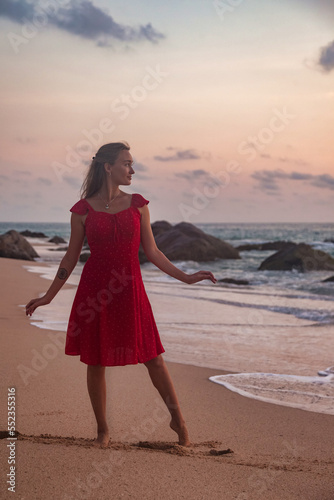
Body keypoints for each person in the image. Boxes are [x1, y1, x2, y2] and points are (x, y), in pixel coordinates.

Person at [26, 141, 217, 448]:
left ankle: (178, 420)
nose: (132, 169)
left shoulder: (139, 205)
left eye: (131, 164)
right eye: (127, 163)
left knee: (153, 358)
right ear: (107, 167)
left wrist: (187, 278)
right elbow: (70, 258)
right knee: (96, 361)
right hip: (95, 292)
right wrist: (49, 296)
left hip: (130, 291)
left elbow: (153, 252)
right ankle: (103, 430)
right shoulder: (83, 211)